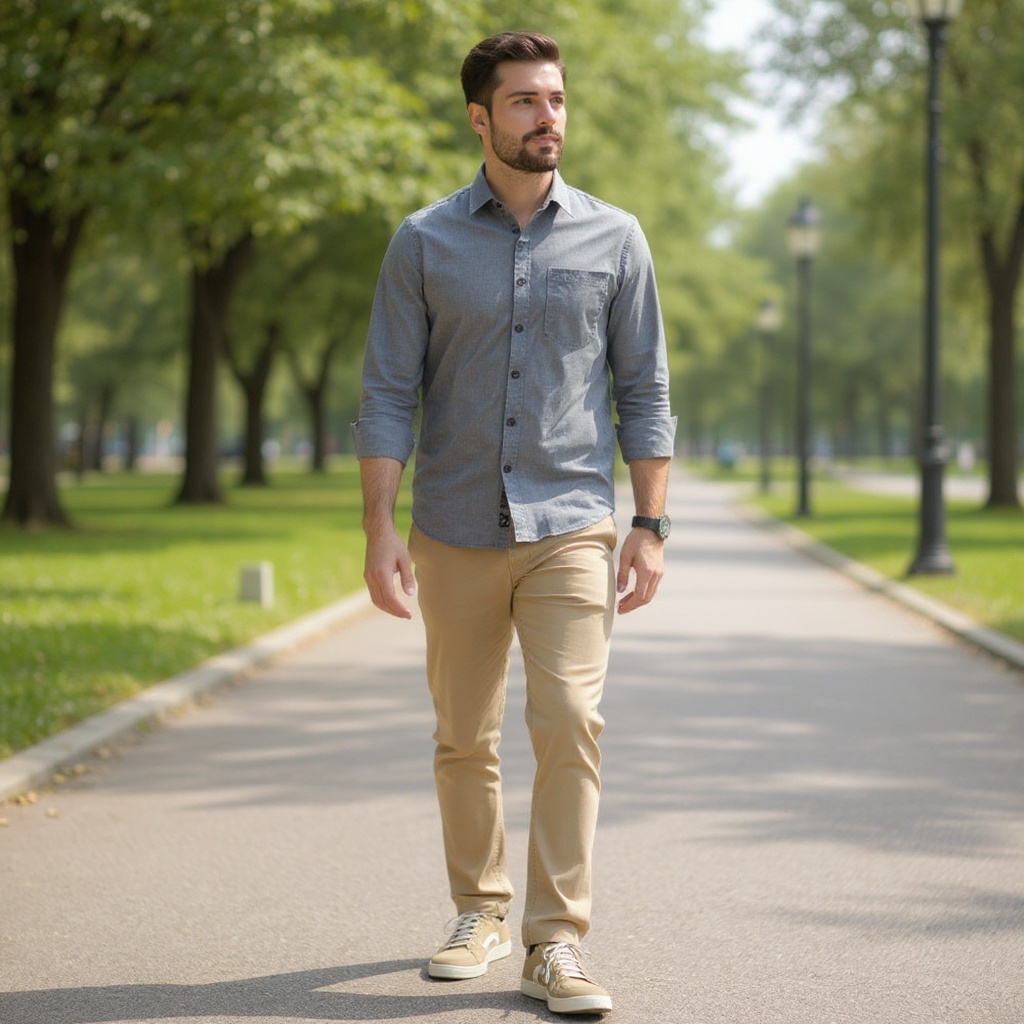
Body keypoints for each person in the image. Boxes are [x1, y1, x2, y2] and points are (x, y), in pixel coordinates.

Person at [353, 30, 676, 1017]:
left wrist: (651, 523)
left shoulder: (616, 237)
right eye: (526, 101)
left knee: (571, 718)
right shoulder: (422, 241)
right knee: (464, 734)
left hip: (570, 521)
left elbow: (644, 389)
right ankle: (478, 909)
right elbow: (386, 391)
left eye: (556, 99)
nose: (548, 117)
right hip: (454, 523)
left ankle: (556, 939)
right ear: (479, 118)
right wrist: (378, 530)